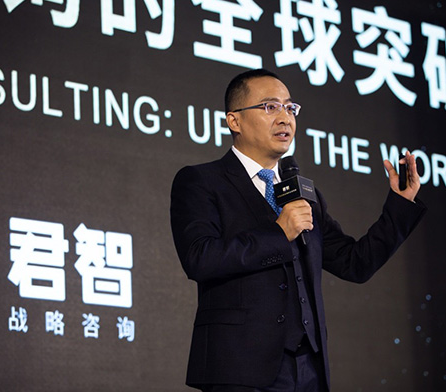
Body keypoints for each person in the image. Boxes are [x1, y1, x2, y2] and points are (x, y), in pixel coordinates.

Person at [170, 69, 426, 392]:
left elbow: (354, 262)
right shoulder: (202, 181)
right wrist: (279, 234)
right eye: (270, 107)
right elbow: (200, 258)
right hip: (239, 369)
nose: (285, 118)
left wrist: (400, 205)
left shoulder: (304, 194)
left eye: (290, 108)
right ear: (234, 121)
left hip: (308, 371)